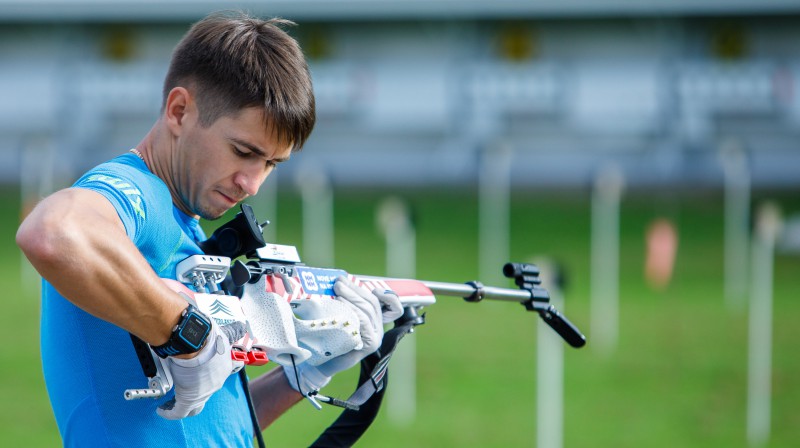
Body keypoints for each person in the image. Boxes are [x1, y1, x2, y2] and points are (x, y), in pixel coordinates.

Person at [16, 11, 400, 447]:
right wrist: (188, 335)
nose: (252, 183)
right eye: (242, 151)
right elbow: (53, 232)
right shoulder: (136, 191)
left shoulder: (188, 223)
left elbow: (211, 426)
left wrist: (304, 373)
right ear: (179, 111)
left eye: (271, 164)